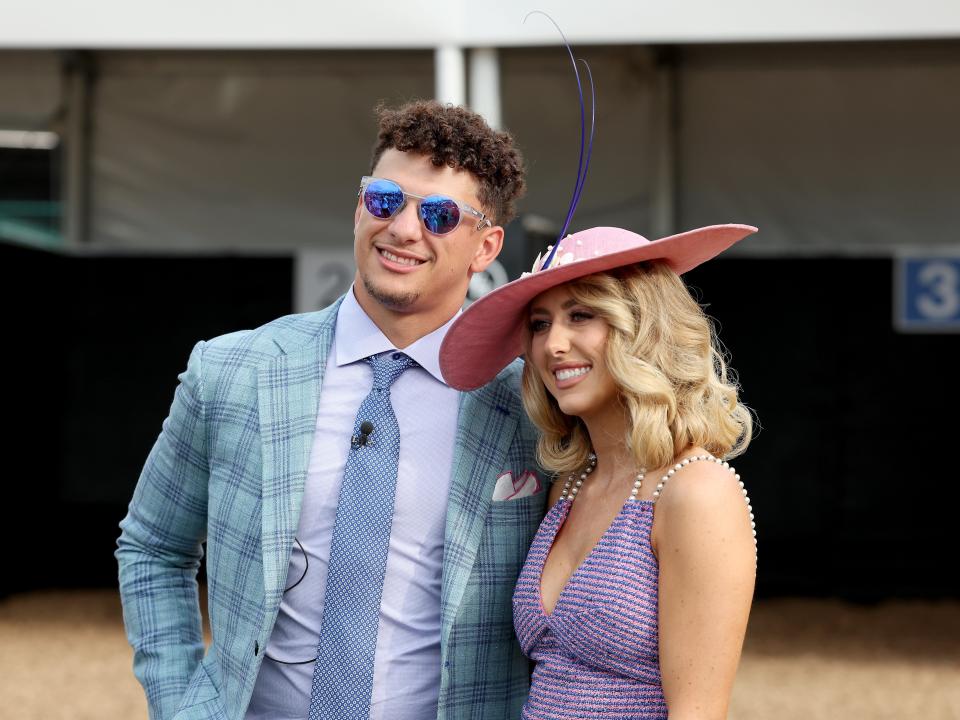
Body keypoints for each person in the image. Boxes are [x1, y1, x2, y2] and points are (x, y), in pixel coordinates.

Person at [116, 100, 547, 720]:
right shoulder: (231, 371)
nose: (403, 229)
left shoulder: (529, 404)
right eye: (384, 200)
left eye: (438, 214)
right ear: (358, 206)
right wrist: (182, 700)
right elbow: (153, 546)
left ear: (487, 247)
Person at [439, 223, 759, 719]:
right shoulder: (569, 485)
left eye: (580, 315)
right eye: (540, 324)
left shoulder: (696, 490)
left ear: (644, 325)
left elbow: (698, 712)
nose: (554, 345)